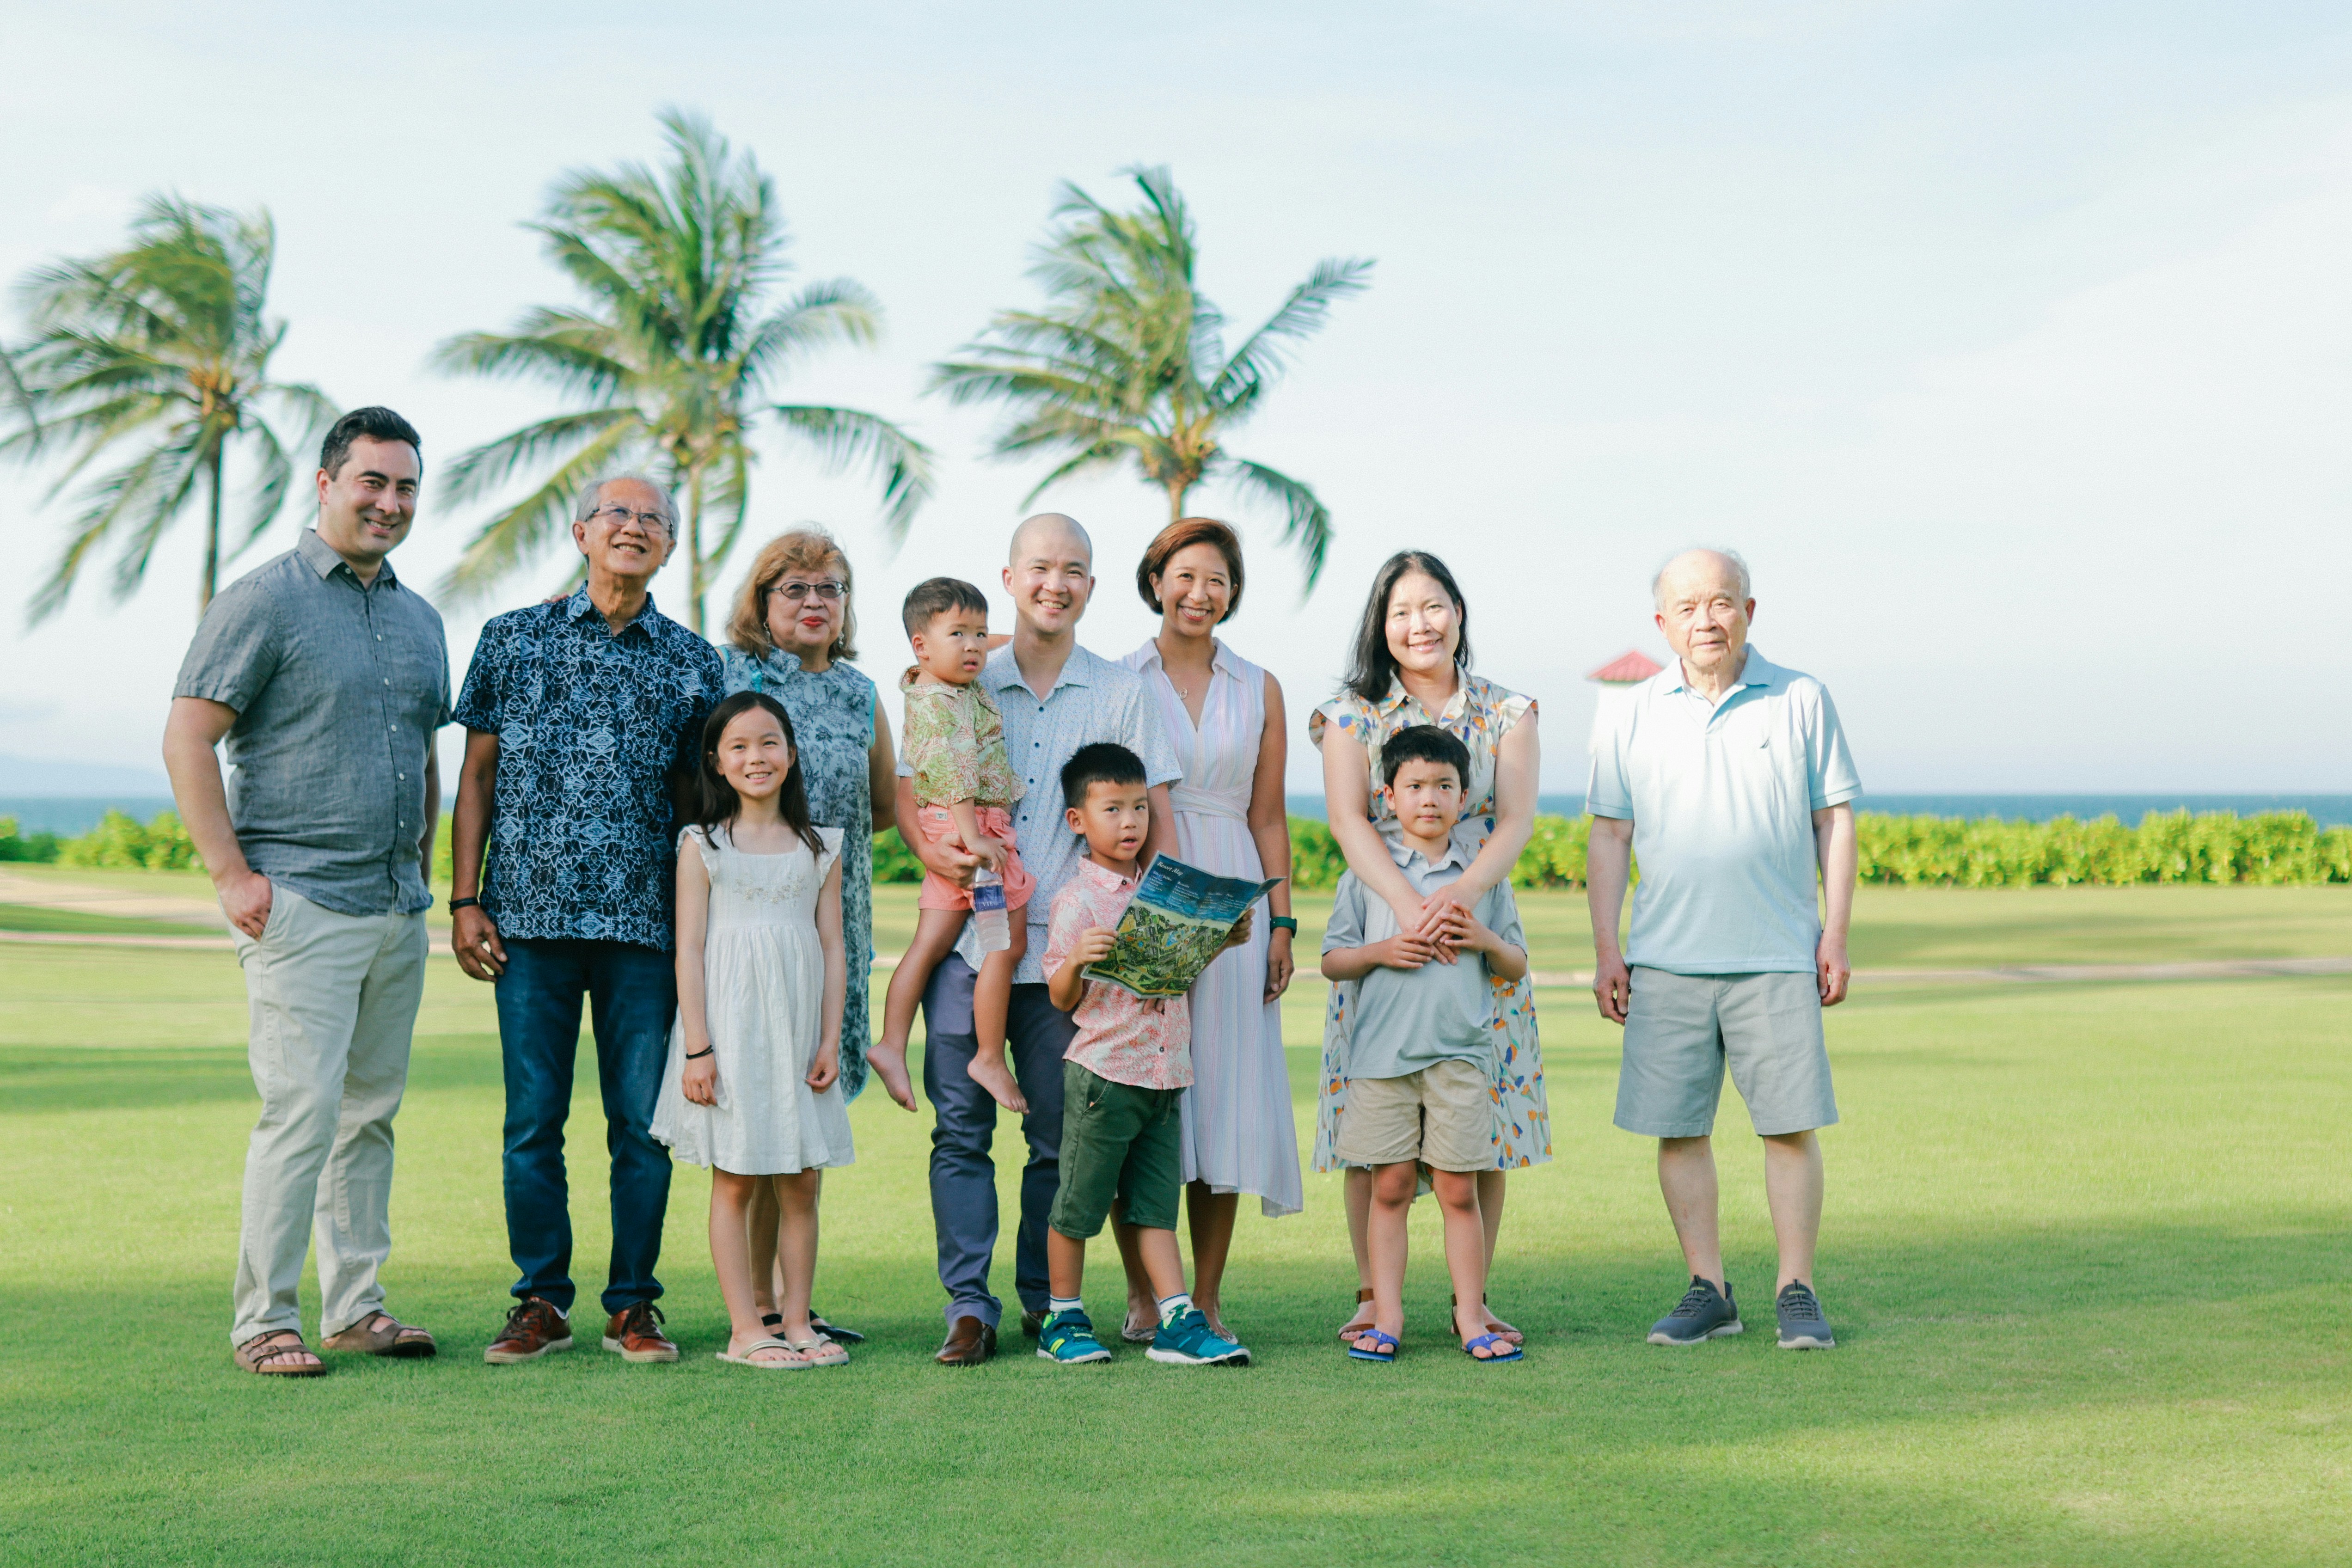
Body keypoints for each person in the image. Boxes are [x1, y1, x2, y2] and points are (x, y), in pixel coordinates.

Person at [164, 406, 447, 1376]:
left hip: (394, 906)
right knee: (301, 1113)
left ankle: (357, 1306)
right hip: (303, 901)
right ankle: (265, 1319)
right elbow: (188, 736)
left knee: (370, 1114)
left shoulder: (420, 617)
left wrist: (426, 866)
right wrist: (231, 875)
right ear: (326, 483)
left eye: (406, 486)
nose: (390, 502)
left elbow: (423, 751)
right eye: (372, 482)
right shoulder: (264, 601)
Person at [448, 474, 724, 1368]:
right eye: (618, 513)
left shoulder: (694, 661)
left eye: (654, 519)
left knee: (640, 1125)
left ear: (670, 547)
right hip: (526, 920)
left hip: (644, 929)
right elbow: (477, 778)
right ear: (580, 531)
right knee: (532, 1120)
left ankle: (633, 1304)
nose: (634, 528)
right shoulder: (512, 638)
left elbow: (697, 806)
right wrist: (464, 897)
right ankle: (539, 1299)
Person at [896, 514, 1182, 1367]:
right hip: (967, 947)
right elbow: (913, 799)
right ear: (1009, 579)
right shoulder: (956, 676)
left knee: (1059, 1140)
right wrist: (933, 849)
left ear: (1091, 586)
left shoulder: (1122, 689)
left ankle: (1042, 1301)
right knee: (960, 1133)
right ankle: (967, 1306)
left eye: (1074, 570)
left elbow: (1148, 822)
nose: (1056, 582)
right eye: (1040, 567)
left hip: (1070, 961)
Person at [1586, 547, 1858, 1352]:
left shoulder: (1799, 697)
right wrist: (1608, 947)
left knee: (1788, 1126)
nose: (1706, 618)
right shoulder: (1628, 712)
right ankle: (1708, 1287)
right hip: (1664, 959)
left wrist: (1834, 932)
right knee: (1677, 1129)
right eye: (1688, 606)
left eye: (1722, 602)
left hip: (1776, 954)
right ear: (1661, 622)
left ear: (1748, 609)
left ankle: (1795, 1288)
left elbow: (1832, 819)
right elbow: (1609, 835)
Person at [1313, 550, 1546, 1348]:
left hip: (1472, 909)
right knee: (1371, 1134)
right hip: (1384, 910)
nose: (1420, 623)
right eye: (1402, 610)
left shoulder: (1506, 710)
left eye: (1433, 605)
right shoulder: (1349, 711)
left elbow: (1512, 818)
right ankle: (1372, 1294)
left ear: (1457, 611)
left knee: (1477, 1130)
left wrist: (1459, 900)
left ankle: (1467, 1298)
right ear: (1381, 624)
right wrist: (1408, 908)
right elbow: (1348, 819)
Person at [1119, 518, 1299, 1344]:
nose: (1200, 592)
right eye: (1185, 575)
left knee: (1222, 1096)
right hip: (1142, 892)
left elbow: (1267, 815)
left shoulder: (1257, 685)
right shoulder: (1118, 679)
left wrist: (1281, 922)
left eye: (1218, 579)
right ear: (1155, 579)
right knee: (1144, 1095)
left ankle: (1210, 1293)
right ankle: (1144, 1295)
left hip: (1233, 889)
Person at [719, 527, 893, 1347]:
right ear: (761, 602)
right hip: (750, 931)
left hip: (836, 930)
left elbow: (886, 805)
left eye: (830, 587)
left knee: (805, 1118)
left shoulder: (861, 692)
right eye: (795, 588)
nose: (816, 601)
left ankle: (793, 1304)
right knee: (753, 1115)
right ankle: (753, 1304)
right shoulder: (727, 677)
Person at [650, 692, 852, 1369]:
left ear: (791, 755)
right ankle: (745, 1329)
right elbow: (690, 950)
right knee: (735, 1179)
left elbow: (833, 948)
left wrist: (829, 1041)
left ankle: (795, 1321)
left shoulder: (820, 846)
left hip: (798, 1029)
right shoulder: (702, 845)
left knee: (801, 1180)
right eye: (738, 747)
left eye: (769, 743)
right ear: (717, 763)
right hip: (730, 1030)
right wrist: (699, 1050)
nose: (756, 757)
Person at [1035, 744, 1251, 1367]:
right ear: (1079, 820)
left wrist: (1220, 939)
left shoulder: (1161, 894)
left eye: (1138, 808)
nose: (1130, 822)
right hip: (1104, 1075)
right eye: (1113, 810)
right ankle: (1064, 1319)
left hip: (1164, 1076)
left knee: (1156, 1207)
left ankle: (1177, 1320)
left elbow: (1171, 974)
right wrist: (1076, 959)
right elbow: (1061, 997)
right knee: (1077, 1204)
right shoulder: (1079, 901)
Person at [1321, 727, 1528, 1364]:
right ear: (1388, 795)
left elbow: (1515, 964)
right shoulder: (1368, 877)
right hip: (1381, 1062)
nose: (1429, 799)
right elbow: (1332, 961)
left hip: (1460, 1059)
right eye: (1414, 786)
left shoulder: (1482, 879)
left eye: (1444, 787)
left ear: (1464, 798)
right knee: (1388, 1188)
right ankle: (1387, 1313)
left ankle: (1470, 1313)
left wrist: (1482, 941)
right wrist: (1383, 951)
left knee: (1458, 1190)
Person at [871, 578, 1035, 1115]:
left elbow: (986, 641)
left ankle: (891, 1043)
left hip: (944, 826)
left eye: (980, 634)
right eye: (959, 635)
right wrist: (975, 838)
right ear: (921, 645)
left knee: (928, 944)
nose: (974, 646)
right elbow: (957, 771)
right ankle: (988, 1055)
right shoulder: (946, 704)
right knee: (1004, 943)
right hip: (971, 832)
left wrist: (990, 636)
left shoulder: (927, 686)